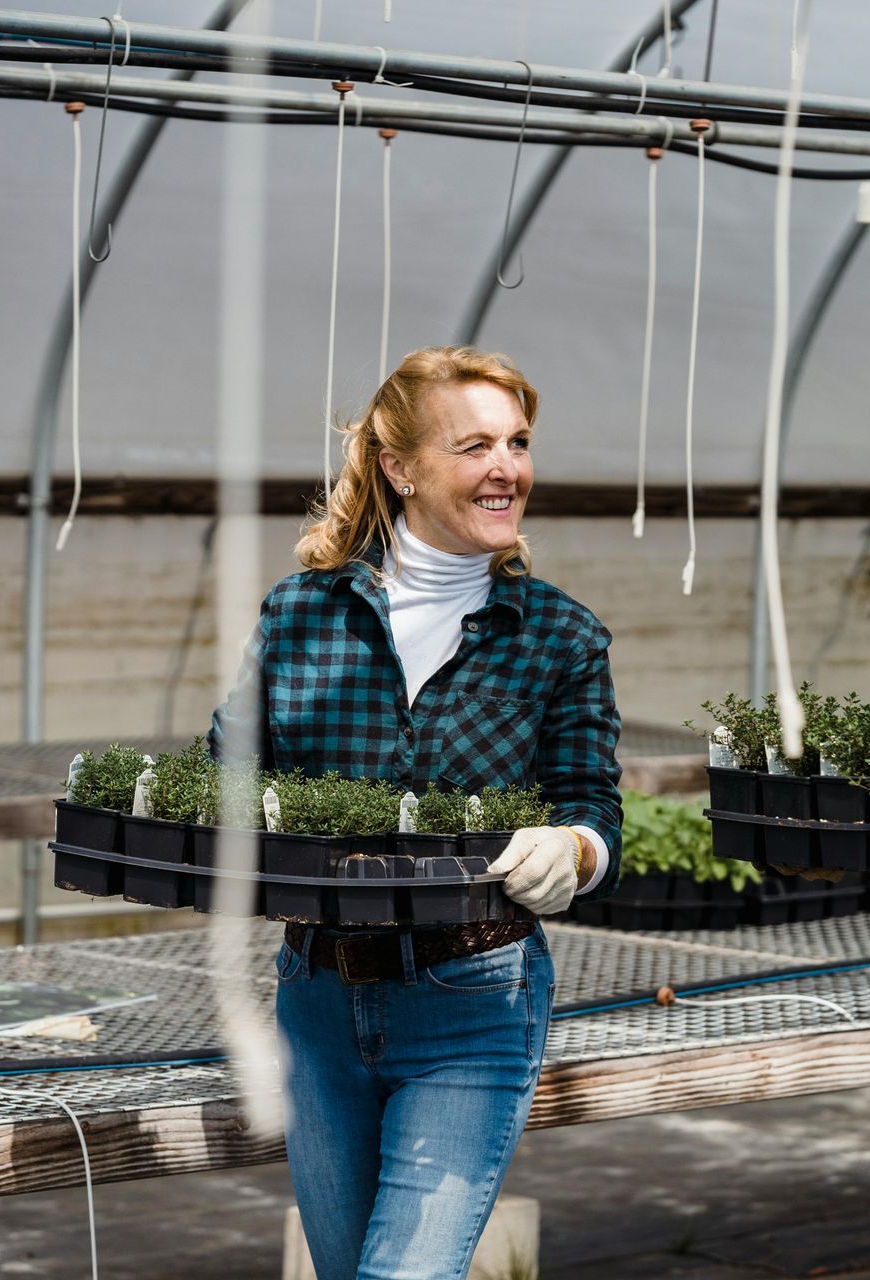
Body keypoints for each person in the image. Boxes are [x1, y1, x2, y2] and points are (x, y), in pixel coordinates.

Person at [208, 346, 623, 1280]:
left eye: (517, 443)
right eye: (475, 444)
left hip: (472, 999)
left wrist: (575, 847)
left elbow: (594, 805)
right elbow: (225, 771)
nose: (507, 467)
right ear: (400, 468)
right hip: (317, 992)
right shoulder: (303, 616)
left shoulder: (558, 635)